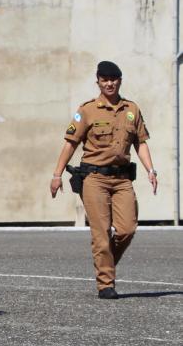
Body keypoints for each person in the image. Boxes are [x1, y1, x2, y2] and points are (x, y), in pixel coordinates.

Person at [50, 61, 157, 299]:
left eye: (113, 79)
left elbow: (141, 142)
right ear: (97, 81)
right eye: (104, 79)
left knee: (127, 229)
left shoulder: (132, 109)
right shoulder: (87, 110)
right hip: (94, 179)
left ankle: (105, 263)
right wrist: (56, 175)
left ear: (120, 80)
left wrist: (151, 170)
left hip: (122, 179)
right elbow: (70, 143)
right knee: (101, 233)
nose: (109, 83)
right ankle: (105, 283)